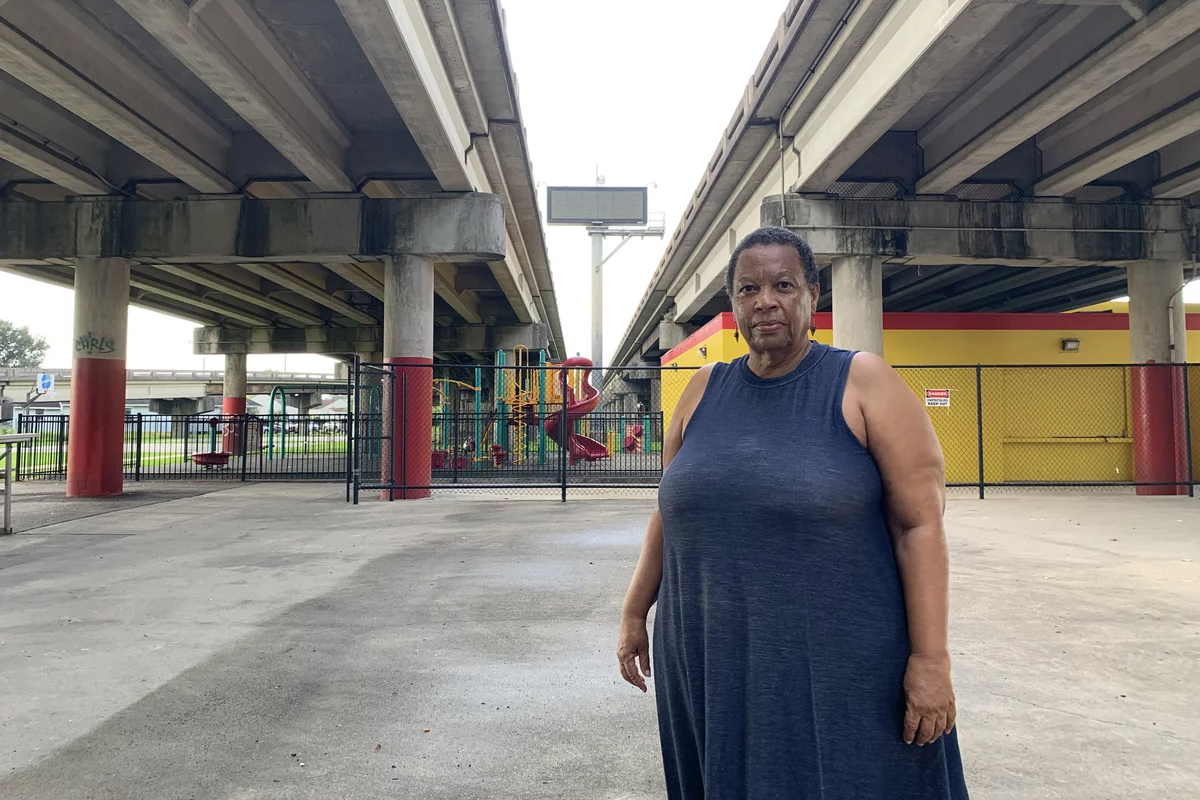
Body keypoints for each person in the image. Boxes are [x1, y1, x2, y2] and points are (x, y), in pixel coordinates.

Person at [617, 227, 967, 799]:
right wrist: (635, 610)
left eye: (783, 284)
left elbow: (919, 526)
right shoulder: (703, 389)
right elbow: (671, 509)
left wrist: (931, 659)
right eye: (748, 288)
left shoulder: (863, 382)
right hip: (708, 649)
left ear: (812, 294)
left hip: (836, 657)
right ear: (734, 304)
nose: (765, 301)